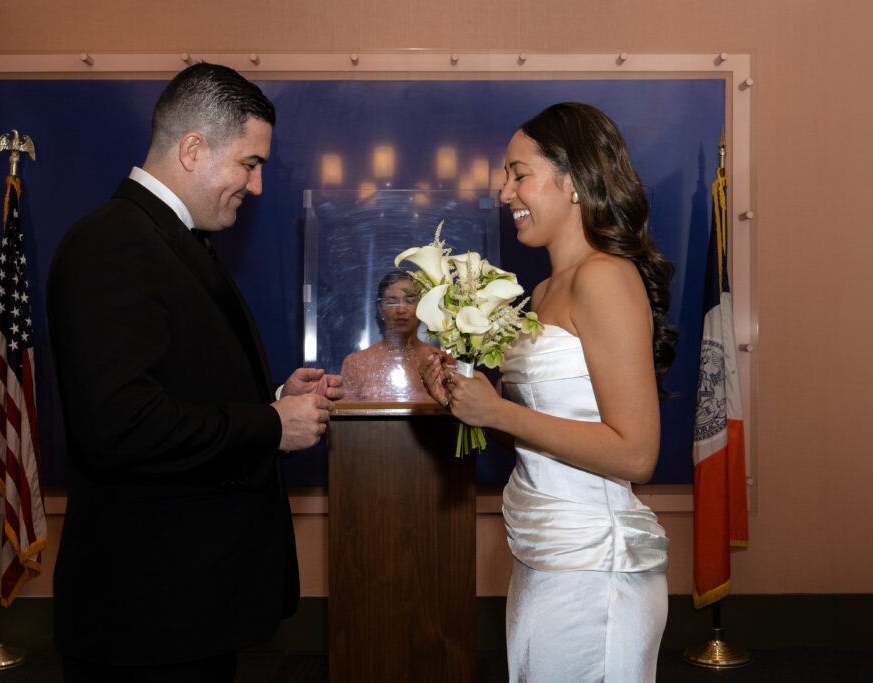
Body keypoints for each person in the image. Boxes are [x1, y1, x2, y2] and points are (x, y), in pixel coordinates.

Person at [46, 62, 342, 682]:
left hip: (184, 610)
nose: (256, 186)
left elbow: (178, 388)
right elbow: (120, 427)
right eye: (249, 164)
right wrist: (268, 425)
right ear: (191, 149)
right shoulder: (115, 244)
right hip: (147, 618)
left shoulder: (165, 239)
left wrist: (276, 398)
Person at [421, 102, 678, 682]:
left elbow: (636, 452)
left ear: (575, 181)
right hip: (542, 552)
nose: (503, 190)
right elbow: (549, 423)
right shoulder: (539, 294)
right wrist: (465, 396)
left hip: (593, 567)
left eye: (519, 173)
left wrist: (500, 412)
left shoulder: (604, 277)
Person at [340, 271, 438, 401]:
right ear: (380, 309)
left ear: (421, 306)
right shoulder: (357, 364)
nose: (401, 310)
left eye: (409, 301)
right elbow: (345, 418)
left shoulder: (438, 363)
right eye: (391, 302)